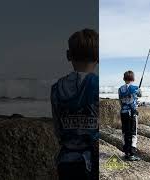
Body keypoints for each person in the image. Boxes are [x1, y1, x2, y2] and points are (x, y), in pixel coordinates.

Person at [51, 29, 99, 180]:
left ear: (68, 55)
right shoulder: (97, 85)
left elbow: (58, 130)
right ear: (98, 57)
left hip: (66, 161)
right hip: (94, 161)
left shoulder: (56, 88)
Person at [118, 71, 142, 161]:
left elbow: (120, 101)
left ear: (124, 79)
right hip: (132, 113)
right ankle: (131, 154)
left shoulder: (120, 89)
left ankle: (126, 152)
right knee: (133, 133)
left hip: (123, 113)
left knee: (125, 132)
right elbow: (140, 95)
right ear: (134, 79)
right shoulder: (135, 88)